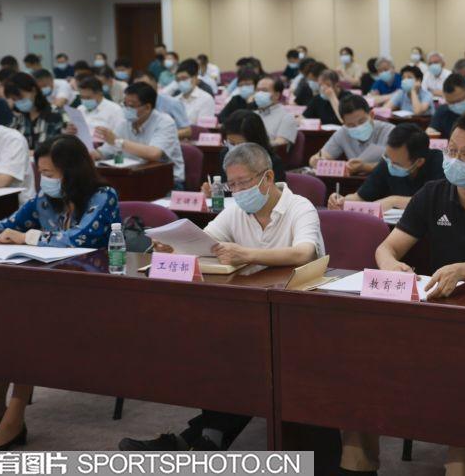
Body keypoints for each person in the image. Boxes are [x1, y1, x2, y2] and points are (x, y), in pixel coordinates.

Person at [340, 114, 465, 475]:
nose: (455, 160)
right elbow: (387, 247)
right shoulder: (432, 193)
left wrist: (462, 270)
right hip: (437, 311)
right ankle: (358, 462)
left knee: (463, 381)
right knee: (362, 367)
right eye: (452, 150)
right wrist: (390, 265)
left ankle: (460, 460)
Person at [121, 142, 323, 453]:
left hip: (299, 319)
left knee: (246, 360)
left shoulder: (300, 207)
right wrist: (173, 247)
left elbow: (303, 253)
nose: (238, 191)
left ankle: (194, 439)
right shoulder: (235, 211)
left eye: (244, 183)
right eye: (232, 185)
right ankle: (204, 438)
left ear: (268, 177)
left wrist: (247, 254)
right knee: (219, 349)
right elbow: (206, 242)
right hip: (251, 315)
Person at [0, 135, 119, 450]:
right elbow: (11, 222)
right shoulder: (46, 199)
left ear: (72, 172)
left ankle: (14, 416)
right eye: (41, 173)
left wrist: (27, 237)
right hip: (48, 289)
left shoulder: (103, 195)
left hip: (92, 293)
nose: (45, 180)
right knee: (5, 316)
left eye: (51, 174)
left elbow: (80, 238)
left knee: (24, 321)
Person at [327, 123, 444, 211]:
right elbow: (361, 197)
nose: (390, 165)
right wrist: (342, 201)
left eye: (397, 164)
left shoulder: (439, 163)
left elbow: (434, 202)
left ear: (419, 162)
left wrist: (395, 201)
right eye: (387, 157)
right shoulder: (388, 162)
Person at [90, 83, 185, 188]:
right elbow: (104, 152)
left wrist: (118, 142)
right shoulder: (124, 123)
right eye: (125, 104)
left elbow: (154, 154)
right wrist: (88, 155)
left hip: (166, 180)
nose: (126, 109)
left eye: (131, 106)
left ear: (148, 107)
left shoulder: (165, 122)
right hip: (132, 178)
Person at [309, 94, 393, 174]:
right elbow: (319, 157)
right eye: (351, 125)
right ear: (344, 123)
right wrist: (316, 160)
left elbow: (397, 166)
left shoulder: (390, 131)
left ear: (371, 115)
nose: (358, 127)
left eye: (362, 121)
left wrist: (365, 167)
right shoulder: (343, 132)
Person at [206, 110, 286, 185]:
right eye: (231, 143)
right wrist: (214, 190)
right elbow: (223, 186)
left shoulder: (272, 162)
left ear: (255, 142)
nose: (235, 149)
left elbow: (276, 193)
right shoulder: (225, 155)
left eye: (240, 145)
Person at [3, 72, 64, 149]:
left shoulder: (55, 114)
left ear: (34, 91)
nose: (19, 102)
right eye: (14, 99)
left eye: (21, 98)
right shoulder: (18, 119)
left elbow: (55, 147)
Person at [132, 71, 192, 139]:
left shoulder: (172, 103)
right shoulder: (134, 106)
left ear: (156, 84)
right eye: (137, 88)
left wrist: (162, 136)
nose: (142, 91)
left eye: (145, 86)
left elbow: (187, 131)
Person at [254, 76, 298, 148]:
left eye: (264, 90)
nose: (259, 94)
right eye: (257, 90)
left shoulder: (287, 117)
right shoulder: (252, 114)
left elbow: (280, 143)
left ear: (277, 95)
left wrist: (255, 146)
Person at [173, 59, 215, 125]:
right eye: (178, 80)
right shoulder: (175, 100)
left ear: (195, 78)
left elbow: (203, 128)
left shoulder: (206, 99)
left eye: (184, 78)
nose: (181, 82)